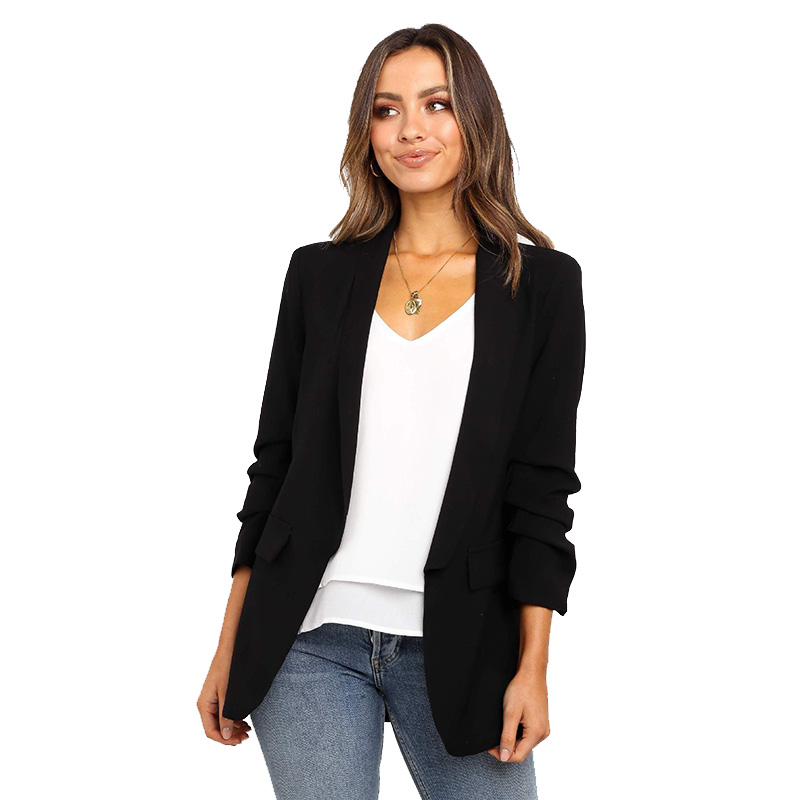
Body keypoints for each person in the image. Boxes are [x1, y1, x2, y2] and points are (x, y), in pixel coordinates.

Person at [198, 24, 586, 800]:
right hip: (308, 642)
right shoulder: (318, 276)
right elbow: (273, 470)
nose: (411, 129)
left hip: (466, 642)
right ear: (367, 133)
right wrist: (228, 645)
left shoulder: (540, 287)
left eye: (437, 104)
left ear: (476, 118)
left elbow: (542, 493)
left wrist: (533, 668)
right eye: (386, 109)